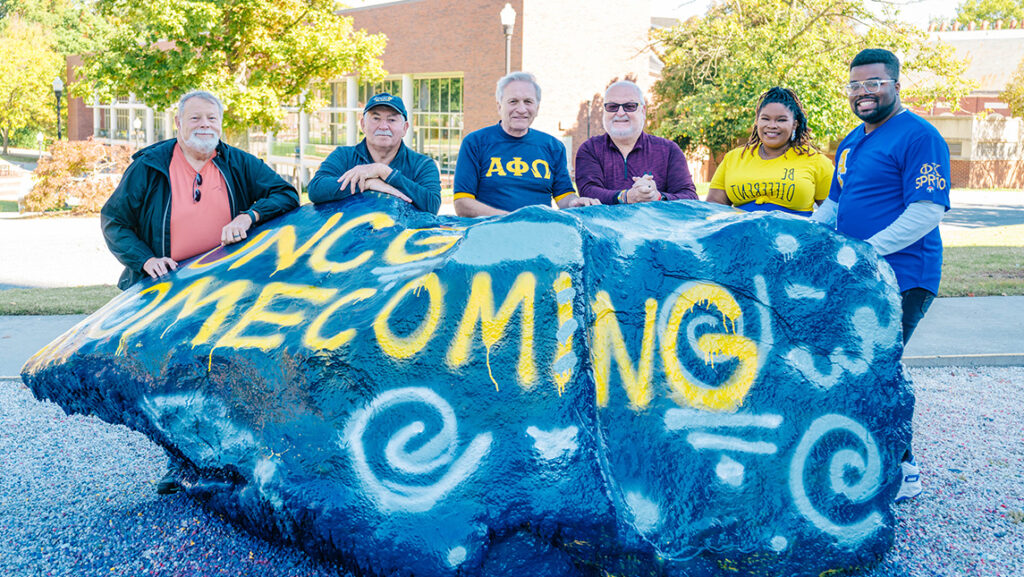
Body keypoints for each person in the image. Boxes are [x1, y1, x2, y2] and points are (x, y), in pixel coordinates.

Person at [100, 90, 299, 493]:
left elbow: (286, 193)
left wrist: (249, 215)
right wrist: (144, 259)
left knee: (225, 379)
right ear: (178, 124)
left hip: (224, 291)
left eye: (211, 118)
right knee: (171, 382)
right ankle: (180, 464)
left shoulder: (235, 161)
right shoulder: (150, 167)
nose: (205, 125)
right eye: (195, 119)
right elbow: (114, 221)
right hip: (166, 290)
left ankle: (232, 463)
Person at [811, 48, 950, 503]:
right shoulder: (851, 141)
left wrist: (869, 250)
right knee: (858, 368)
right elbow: (833, 205)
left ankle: (904, 466)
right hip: (858, 276)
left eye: (874, 83)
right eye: (855, 85)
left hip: (904, 276)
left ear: (895, 84)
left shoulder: (919, 136)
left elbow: (927, 210)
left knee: (876, 369)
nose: (863, 92)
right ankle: (872, 457)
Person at [453, 71, 600, 216]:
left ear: (537, 108)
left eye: (528, 102)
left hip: (539, 232)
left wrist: (576, 202)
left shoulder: (553, 147)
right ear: (499, 106)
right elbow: (462, 203)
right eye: (513, 101)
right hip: (490, 233)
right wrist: (509, 219)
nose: (521, 109)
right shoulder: (475, 143)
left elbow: (564, 197)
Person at [707, 87, 833, 216]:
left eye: (781, 120)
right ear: (757, 122)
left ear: (794, 124)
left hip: (794, 235)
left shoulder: (816, 161)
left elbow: (833, 212)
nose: (772, 125)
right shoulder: (733, 158)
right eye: (765, 119)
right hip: (742, 234)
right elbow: (714, 207)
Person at [308, 93, 441, 214]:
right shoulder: (343, 156)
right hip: (352, 238)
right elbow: (316, 189)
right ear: (363, 125)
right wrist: (367, 183)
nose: (383, 126)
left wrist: (384, 172)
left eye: (392, 120)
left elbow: (432, 204)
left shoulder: (422, 164)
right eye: (376, 118)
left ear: (405, 128)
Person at [575, 80, 697, 204]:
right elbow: (588, 192)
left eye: (630, 106)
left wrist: (657, 197)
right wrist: (625, 196)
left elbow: (690, 197)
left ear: (643, 111)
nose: (620, 113)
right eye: (612, 107)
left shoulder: (669, 150)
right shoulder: (590, 149)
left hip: (655, 224)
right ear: (604, 111)